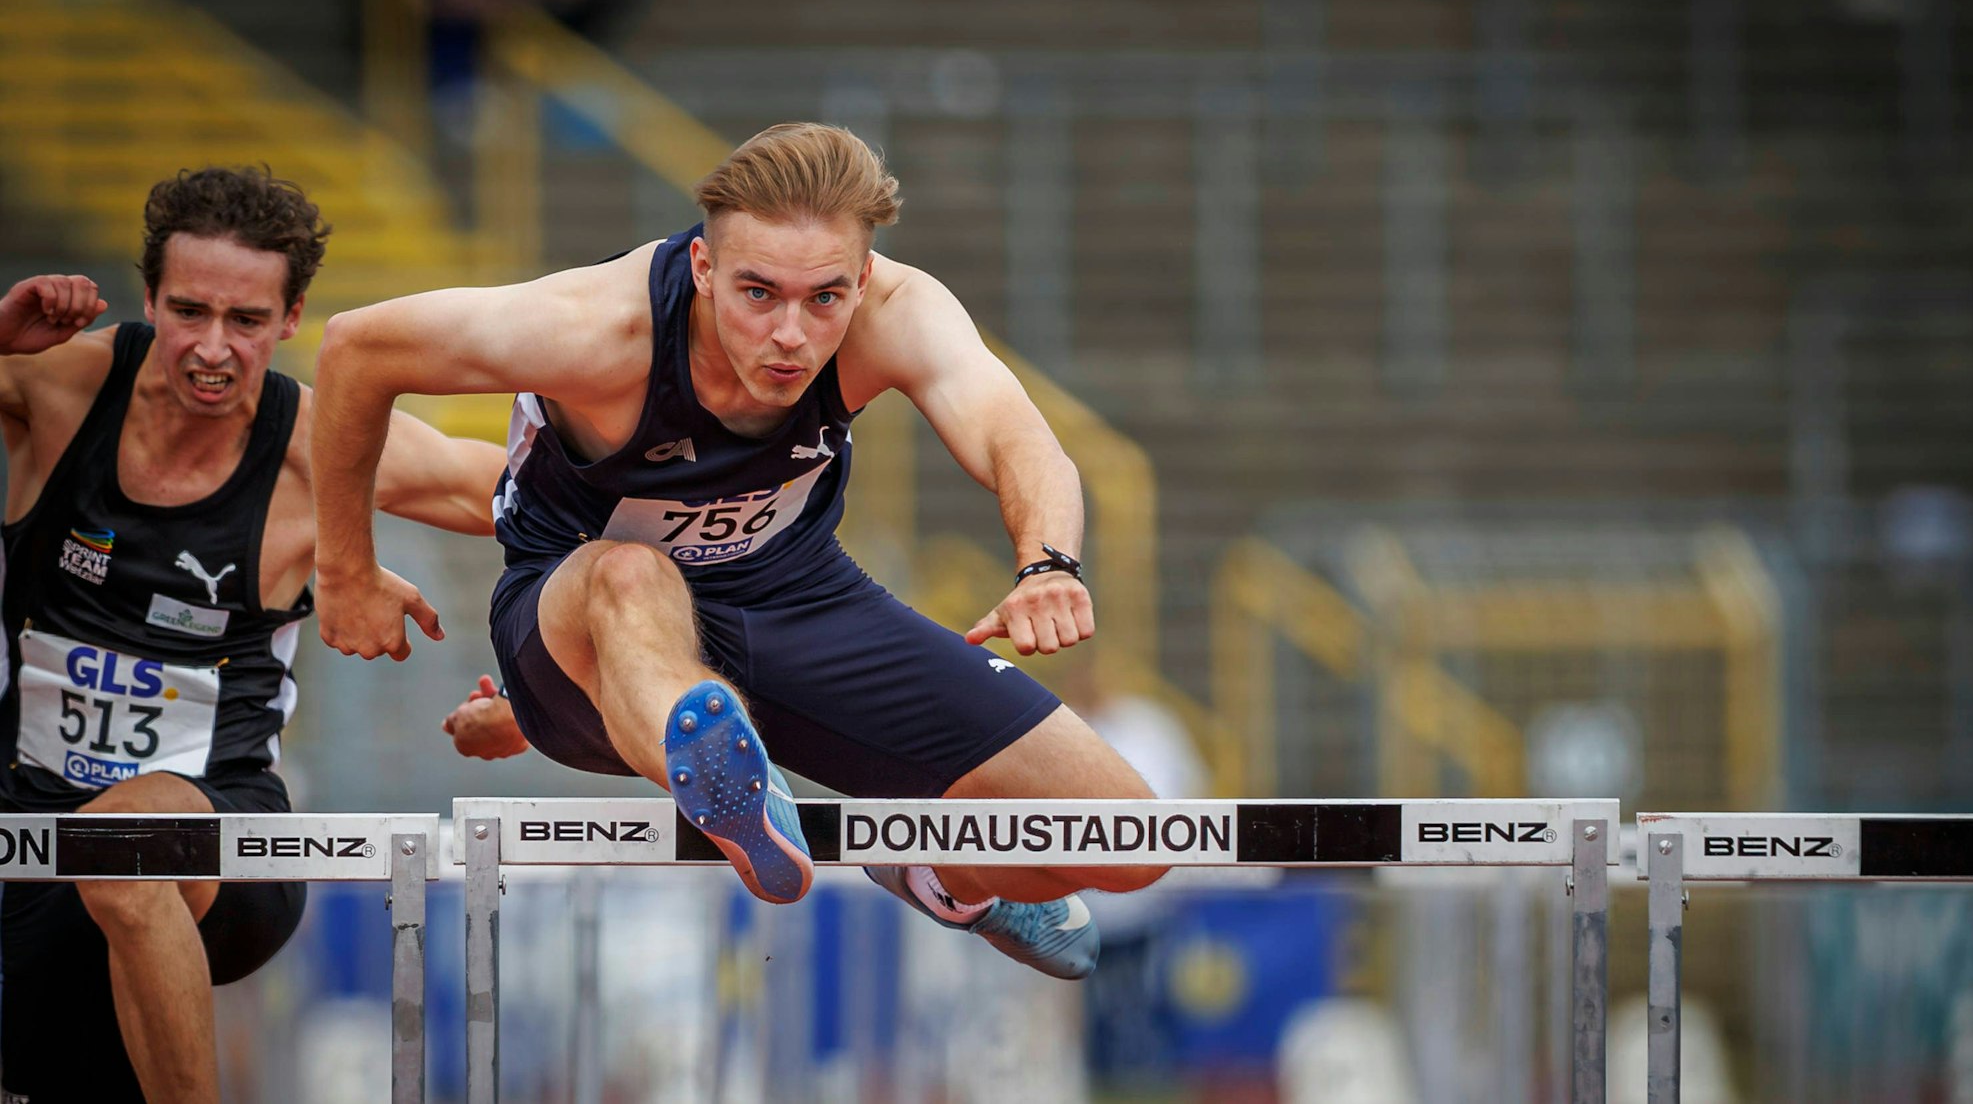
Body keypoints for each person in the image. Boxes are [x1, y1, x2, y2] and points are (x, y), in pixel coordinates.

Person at [312, 122, 1167, 980]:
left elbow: (1017, 436)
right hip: (583, 615)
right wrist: (345, 570)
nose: (790, 334)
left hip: (793, 597)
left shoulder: (898, 313)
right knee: (631, 573)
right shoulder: (596, 328)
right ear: (703, 268)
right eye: (758, 294)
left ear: (862, 281)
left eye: (823, 299)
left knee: (1134, 840)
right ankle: (709, 771)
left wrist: (1047, 562)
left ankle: (942, 875)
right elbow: (358, 348)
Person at [0, 166, 507, 1103]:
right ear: (147, 296)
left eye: (246, 322)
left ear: (292, 319)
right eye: (188, 312)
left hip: (220, 837)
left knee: (121, 839)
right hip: (26, 826)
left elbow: (518, 492)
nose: (211, 350)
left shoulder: (317, 444)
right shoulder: (60, 386)